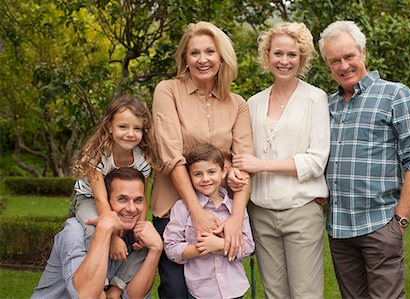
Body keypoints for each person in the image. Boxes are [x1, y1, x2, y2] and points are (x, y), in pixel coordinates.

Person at [318, 20, 410, 298]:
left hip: (380, 226)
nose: (343, 66)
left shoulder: (395, 95)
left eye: (349, 56)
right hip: (339, 230)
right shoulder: (326, 105)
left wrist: (400, 222)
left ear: (363, 53)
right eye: (335, 60)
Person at [151, 21, 253, 298]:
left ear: (222, 57)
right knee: (176, 289)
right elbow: (171, 155)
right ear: (185, 58)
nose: (202, 59)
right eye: (194, 53)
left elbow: (243, 165)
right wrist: (196, 213)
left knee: (220, 288)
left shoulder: (237, 104)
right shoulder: (167, 90)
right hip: (174, 209)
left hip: (221, 211)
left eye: (210, 51)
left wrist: (235, 219)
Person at [231, 22, 330, 298]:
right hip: (261, 213)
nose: (284, 61)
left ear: (302, 59)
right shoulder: (253, 103)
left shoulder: (315, 99)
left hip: (301, 211)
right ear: (267, 55)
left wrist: (261, 165)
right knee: (274, 293)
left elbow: (315, 162)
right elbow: (242, 156)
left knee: (305, 293)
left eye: (292, 55)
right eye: (277, 54)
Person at [71, 95, 160, 296]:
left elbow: (141, 196)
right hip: (91, 200)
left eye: (136, 128)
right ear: (109, 126)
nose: (130, 134)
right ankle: (98, 284)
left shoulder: (141, 158)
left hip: (122, 201)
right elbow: (102, 200)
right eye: (123, 127)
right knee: (95, 231)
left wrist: (140, 227)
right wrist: (112, 236)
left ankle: (117, 286)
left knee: (146, 238)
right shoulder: (98, 155)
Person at [32, 167, 163, 299]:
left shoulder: (139, 240)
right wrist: (104, 229)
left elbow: (133, 297)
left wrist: (156, 248)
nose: (131, 208)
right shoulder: (74, 232)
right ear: (106, 201)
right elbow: (85, 296)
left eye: (138, 200)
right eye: (122, 199)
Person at [163, 143, 255, 299]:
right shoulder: (182, 208)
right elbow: (171, 248)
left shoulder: (235, 209)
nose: (205, 179)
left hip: (234, 289)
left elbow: (248, 247)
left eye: (211, 172)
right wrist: (201, 247)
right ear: (189, 176)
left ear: (224, 171)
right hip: (201, 291)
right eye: (198, 174)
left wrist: (219, 245)